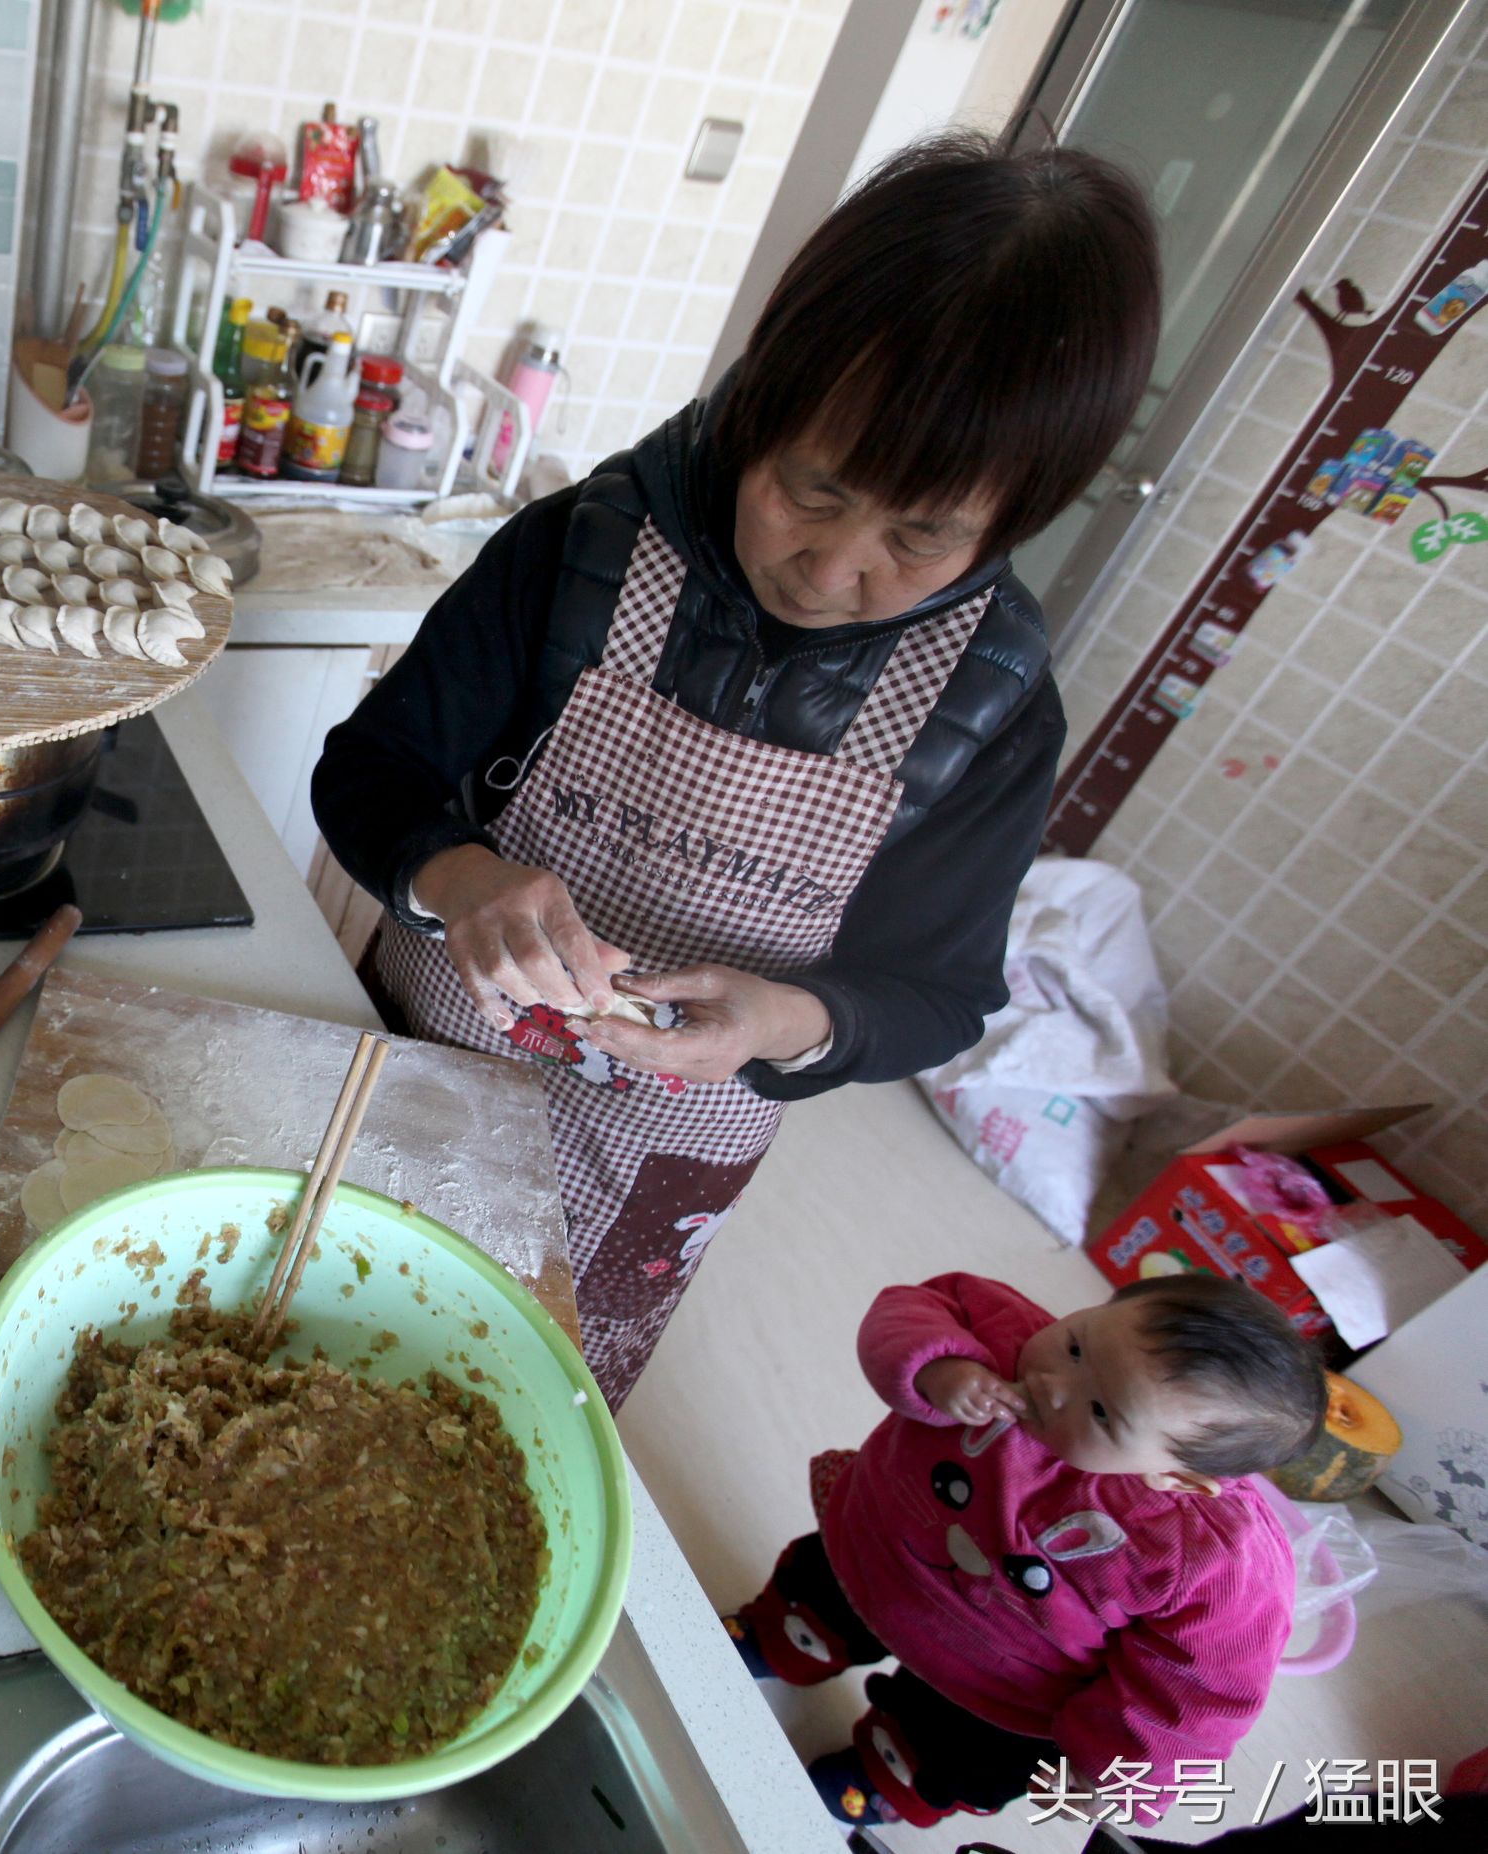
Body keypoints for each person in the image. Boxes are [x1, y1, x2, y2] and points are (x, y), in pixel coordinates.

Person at [310, 133, 1162, 1406]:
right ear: (760, 403)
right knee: (296, 1320)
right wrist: (457, 874)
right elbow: (368, 769)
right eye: (809, 489)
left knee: (490, 1414)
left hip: (656, 1161)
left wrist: (794, 1023)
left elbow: (932, 993)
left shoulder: (992, 703)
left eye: (917, 536)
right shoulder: (583, 553)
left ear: (1012, 518)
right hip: (414, 1053)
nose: (829, 570)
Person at [726, 1272, 1327, 1831]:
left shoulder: (1212, 1561)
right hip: (879, 1545)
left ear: (1179, 1480)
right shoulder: (1005, 1331)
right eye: (1074, 1346)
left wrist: (1117, 1776)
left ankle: (882, 1775)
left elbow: (1197, 1695)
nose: (1051, 1385)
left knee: (945, 1752)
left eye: (1100, 1411)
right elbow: (915, 1306)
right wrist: (942, 1366)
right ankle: (787, 1637)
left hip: (1001, 1687)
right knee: (819, 1595)